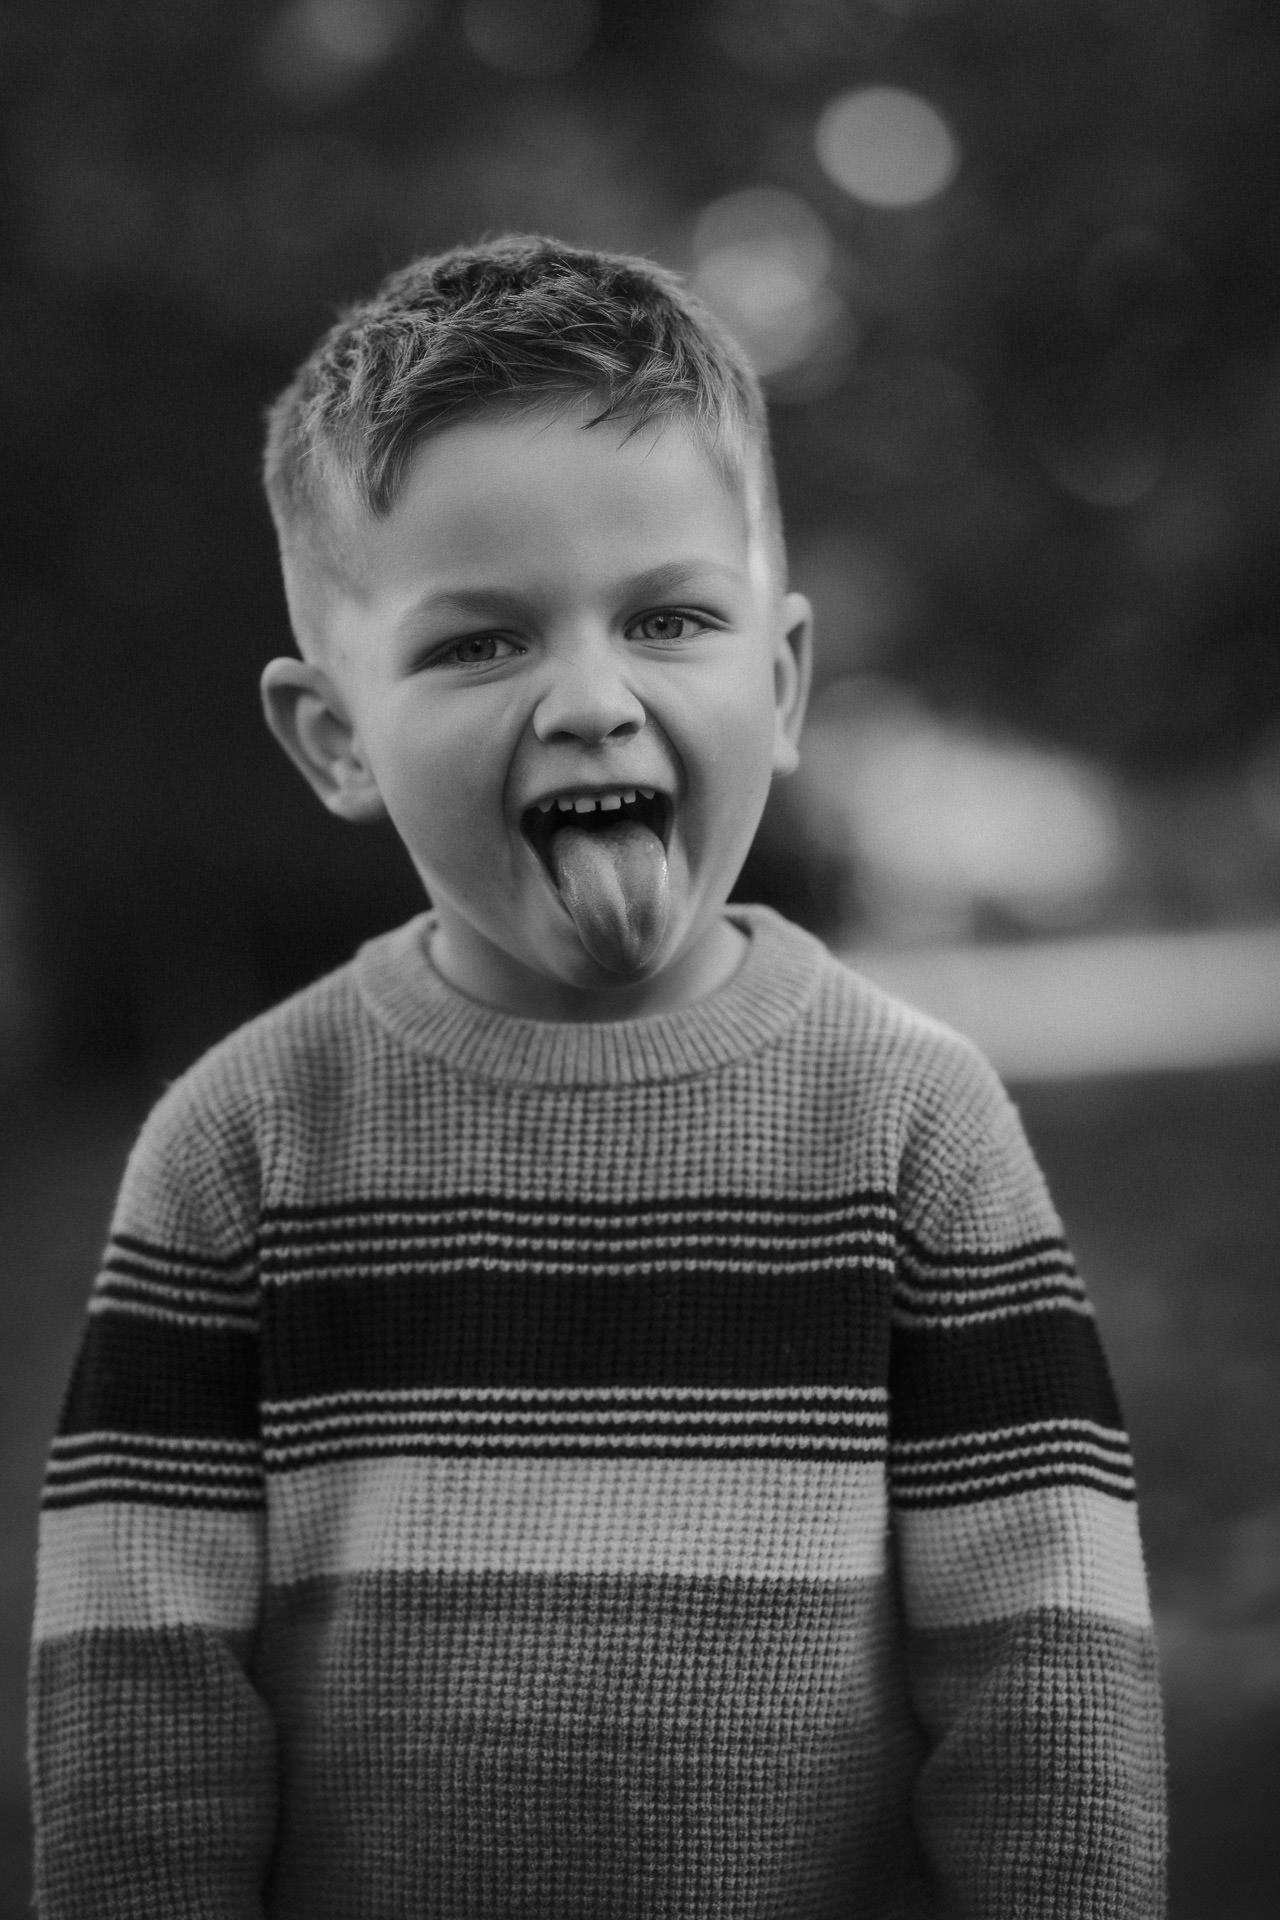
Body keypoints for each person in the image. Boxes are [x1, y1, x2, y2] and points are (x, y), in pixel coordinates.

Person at [29, 235, 1166, 1918]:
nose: (591, 702)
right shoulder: (246, 1146)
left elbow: (1046, 1668)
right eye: (479, 645)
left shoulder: (906, 1123)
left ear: (777, 685)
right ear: (335, 735)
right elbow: (140, 1689)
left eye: (669, 619)